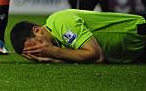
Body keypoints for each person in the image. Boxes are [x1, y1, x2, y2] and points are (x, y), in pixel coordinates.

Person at [10, 9, 146, 63]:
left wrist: (54, 52)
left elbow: (96, 56)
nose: (41, 52)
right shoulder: (57, 42)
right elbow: (80, 57)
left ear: (37, 31)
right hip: (137, 54)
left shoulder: (60, 22)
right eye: (35, 54)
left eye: (37, 48)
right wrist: (53, 59)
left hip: (140, 35)